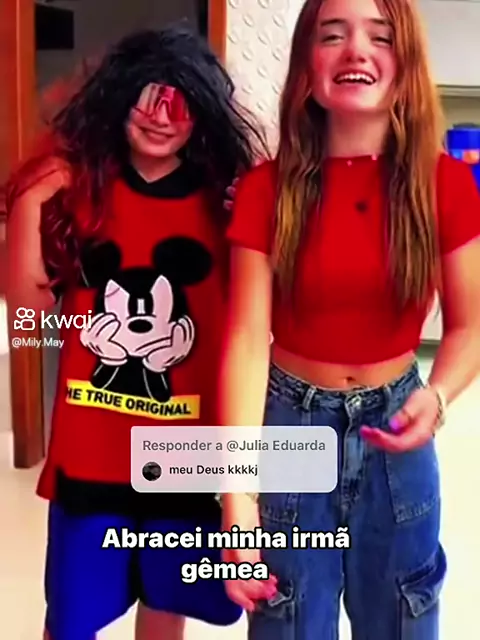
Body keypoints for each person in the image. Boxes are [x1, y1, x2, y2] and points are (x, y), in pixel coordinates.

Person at [219, 0, 480, 638]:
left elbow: (471, 326)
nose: (356, 50)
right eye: (332, 35)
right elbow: (247, 340)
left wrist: (438, 397)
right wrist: (237, 502)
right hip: (289, 425)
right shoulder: (265, 189)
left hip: (396, 433)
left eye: (379, 36)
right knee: (287, 616)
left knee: (402, 612)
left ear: (405, 62)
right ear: (307, 66)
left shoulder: (445, 186)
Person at [6, 26, 267, 640]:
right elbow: (25, 309)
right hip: (90, 458)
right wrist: (30, 201)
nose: (159, 114)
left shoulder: (224, 202)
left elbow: (260, 320)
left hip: (184, 457)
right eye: (145, 94)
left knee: (165, 599)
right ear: (117, 97)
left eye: (179, 99)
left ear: (202, 113)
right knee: (70, 618)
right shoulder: (82, 190)